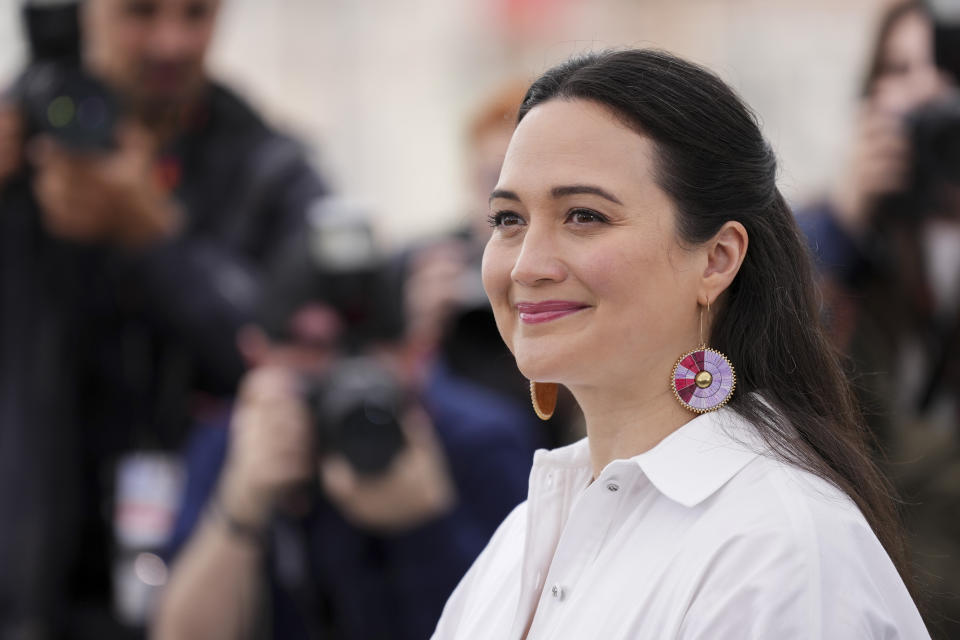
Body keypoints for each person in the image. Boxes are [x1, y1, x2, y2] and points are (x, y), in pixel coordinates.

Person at [431, 49, 929, 639]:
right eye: (508, 219)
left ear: (717, 259)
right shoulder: (526, 533)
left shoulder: (778, 549)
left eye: (584, 215)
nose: (527, 265)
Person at [0, 0, 327, 635]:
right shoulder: (16, 146)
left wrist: (155, 240)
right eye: (139, 13)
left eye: (196, 14)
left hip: (220, 578)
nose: (170, 43)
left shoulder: (269, 168)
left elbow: (302, 352)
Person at [153, 221, 545, 639]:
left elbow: (535, 626)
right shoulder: (235, 443)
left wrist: (427, 524)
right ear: (258, 354)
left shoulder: (481, 440)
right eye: (312, 346)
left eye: (372, 341)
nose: (344, 370)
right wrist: (241, 507)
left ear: (417, 349)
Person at [797, 2, 960, 634]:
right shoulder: (824, 241)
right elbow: (757, 382)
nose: (926, 90)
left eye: (949, 68)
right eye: (898, 70)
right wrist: (842, 225)